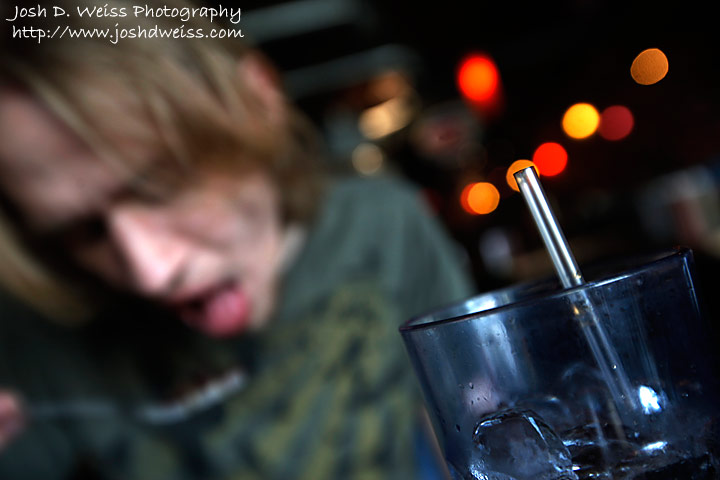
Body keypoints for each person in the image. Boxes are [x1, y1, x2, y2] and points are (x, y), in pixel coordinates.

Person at [0, 1, 474, 478]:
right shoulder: (35, 339)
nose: (152, 276)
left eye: (162, 186)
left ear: (257, 100)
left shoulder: (385, 225)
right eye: (85, 232)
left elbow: (468, 432)